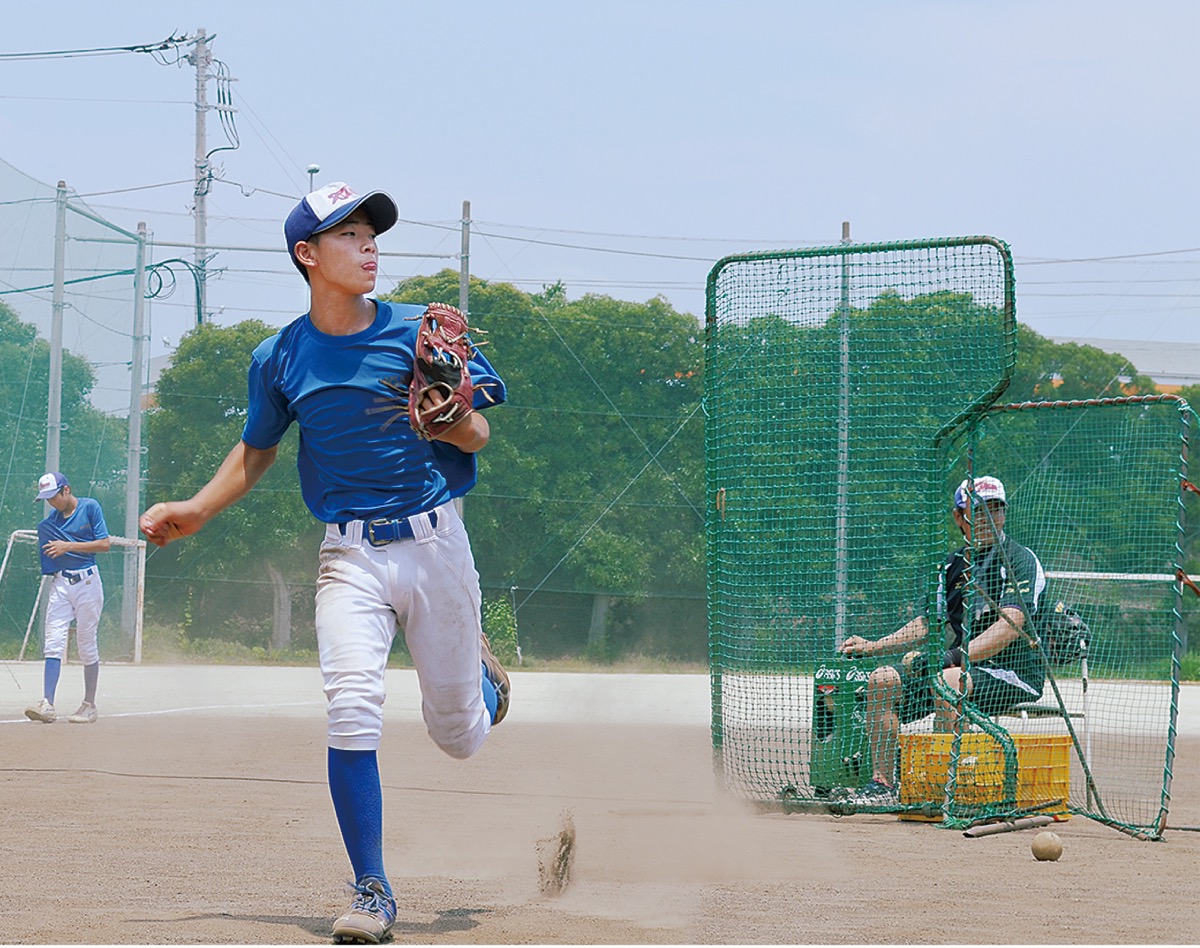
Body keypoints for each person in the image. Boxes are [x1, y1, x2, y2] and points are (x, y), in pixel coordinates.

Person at [138, 182, 509, 944]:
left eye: (373, 233)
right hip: (349, 556)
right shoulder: (279, 357)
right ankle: (372, 889)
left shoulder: (419, 333)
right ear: (308, 255)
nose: (369, 246)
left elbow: (479, 438)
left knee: (459, 736)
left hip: (436, 544)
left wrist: (455, 418)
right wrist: (197, 509)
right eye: (349, 235)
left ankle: (483, 683)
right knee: (349, 706)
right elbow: (258, 447)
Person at [836, 475, 1047, 808]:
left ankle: (943, 788)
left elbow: (1010, 627)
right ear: (959, 516)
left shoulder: (1019, 559)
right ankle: (883, 785)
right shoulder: (952, 565)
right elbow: (927, 623)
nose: (989, 519)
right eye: (979, 511)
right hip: (957, 668)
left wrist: (949, 659)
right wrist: (872, 646)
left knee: (947, 681)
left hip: (1011, 672)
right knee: (882, 680)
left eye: (996, 510)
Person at [25, 472, 111, 725]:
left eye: (53, 496)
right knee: (53, 641)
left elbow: (104, 544)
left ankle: (89, 705)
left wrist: (68, 546)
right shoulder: (47, 526)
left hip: (87, 581)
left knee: (86, 642)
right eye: (46, 499)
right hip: (61, 583)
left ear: (66, 490)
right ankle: (47, 704)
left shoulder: (89, 507)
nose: (51, 502)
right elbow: (49, 563)